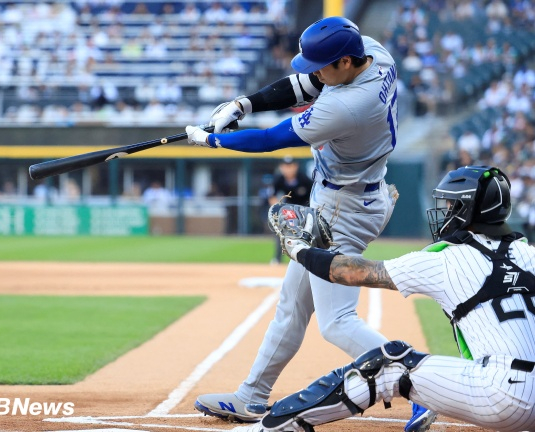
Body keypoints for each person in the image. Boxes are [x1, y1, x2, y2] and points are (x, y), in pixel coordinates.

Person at [186, 16, 435, 432]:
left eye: (322, 65)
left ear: (344, 62)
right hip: (351, 195)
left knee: (336, 322)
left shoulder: (348, 106)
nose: (314, 72)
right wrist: (244, 104)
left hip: (342, 210)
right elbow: (305, 85)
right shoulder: (374, 54)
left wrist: (211, 139)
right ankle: (252, 395)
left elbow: (270, 139)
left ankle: (425, 385)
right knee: (292, 305)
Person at [238, 165, 535, 432]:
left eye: (451, 205)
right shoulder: (529, 253)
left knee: (389, 361)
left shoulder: (446, 259)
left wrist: (299, 249)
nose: (445, 212)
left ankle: (274, 427)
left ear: (467, 210)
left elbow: (350, 273)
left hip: (502, 399)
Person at [269, 156, 313, 264]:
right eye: (285, 166)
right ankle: (277, 258)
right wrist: (277, 210)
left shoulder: (304, 179)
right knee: (281, 231)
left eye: (290, 166)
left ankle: (308, 258)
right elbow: (272, 196)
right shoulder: (279, 179)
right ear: (281, 167)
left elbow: (313, 196)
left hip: (304, 208)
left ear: (296, 167)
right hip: (288, 208)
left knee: (306, 234)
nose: (288, 169)